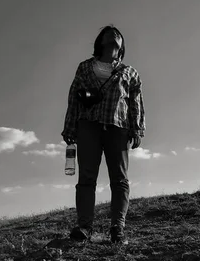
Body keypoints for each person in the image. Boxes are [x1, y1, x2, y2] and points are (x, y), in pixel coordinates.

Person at [62, 25, 145, 244]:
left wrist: (137, 129)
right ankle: (84, 228)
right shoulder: (85, 67)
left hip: (118, 127)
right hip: (88, 126)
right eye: (109, 33)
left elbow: (136, 102)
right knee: (86, 178)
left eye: (119, 34)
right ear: (100, 42)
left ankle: (117, 228)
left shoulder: (130, 72)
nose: (114, 34)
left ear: (122, 46)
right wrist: (70, 128)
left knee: (119, 179)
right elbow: (74, 97)